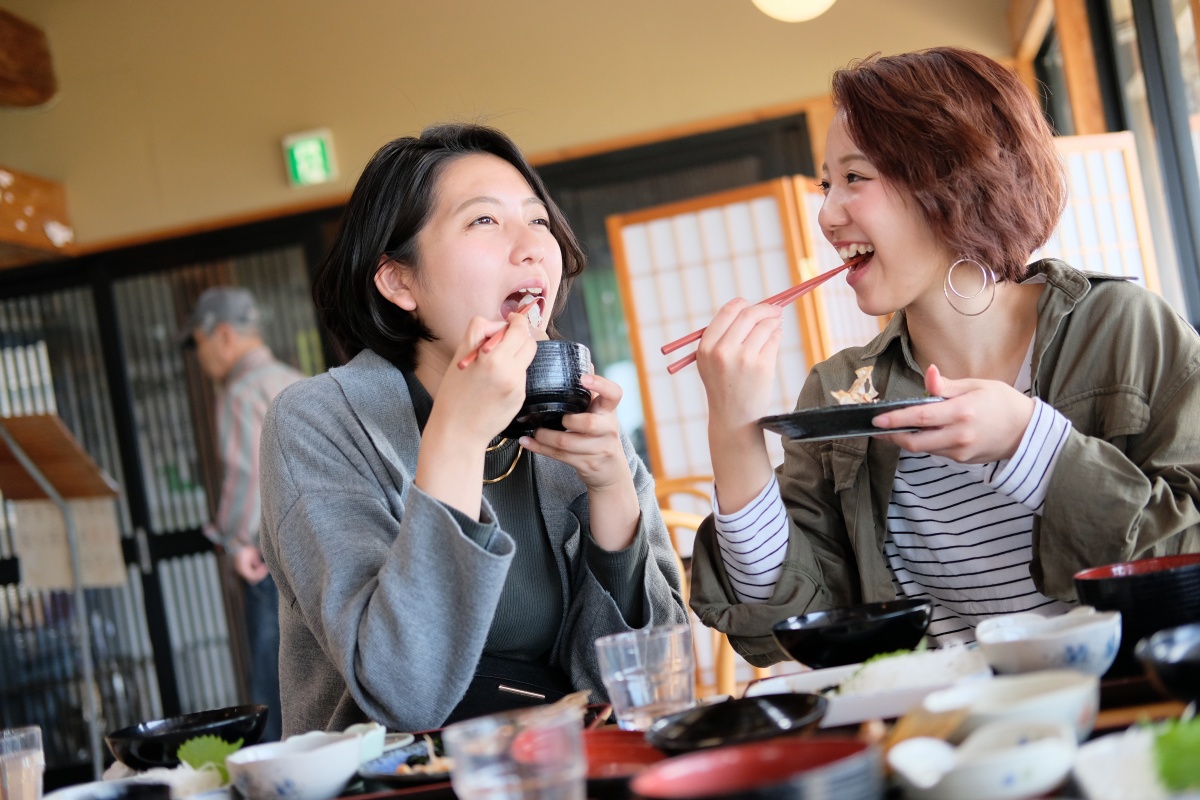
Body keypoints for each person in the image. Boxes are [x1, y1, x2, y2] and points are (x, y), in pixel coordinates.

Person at [688, 47, 1200, 666]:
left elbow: (1187, 552)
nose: (826, 214)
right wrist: (733, 433)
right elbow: (787, 621)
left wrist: (1030, 443)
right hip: (942, 738)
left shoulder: (1123, 328)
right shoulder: (839, 390)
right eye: (827, 183)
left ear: (950, 180)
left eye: (854, 178)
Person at [257, 123, 687, 736]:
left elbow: (651, 692)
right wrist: (455, 435)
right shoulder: (317, 421)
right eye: (484, 221)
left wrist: (613, 493)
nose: (533, 246)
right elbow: (406, 691)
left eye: (538, 220)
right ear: (399, 281)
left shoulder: (573, 412)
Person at [183, 286, 304, 741]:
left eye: (199, 342)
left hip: (267, 555)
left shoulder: (239, 393)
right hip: (313, 546)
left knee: (272, 679)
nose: (199, 355)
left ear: (225, 336)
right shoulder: (294, 379)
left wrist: (234, 540)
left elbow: (246, 477)